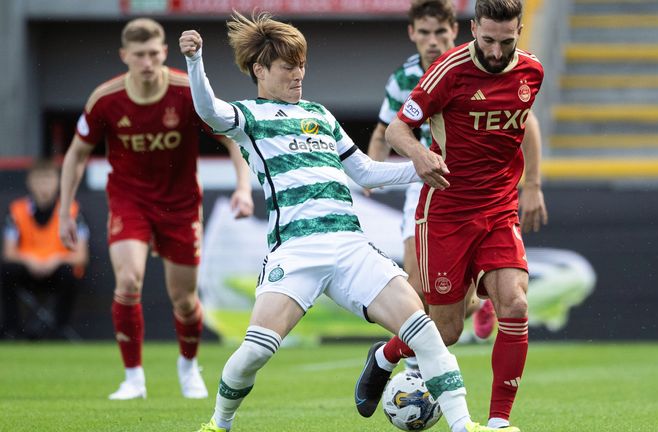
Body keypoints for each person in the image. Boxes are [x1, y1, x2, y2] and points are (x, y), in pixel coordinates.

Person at [180, 11, 499, 432]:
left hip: (350, 246)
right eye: (288, 66)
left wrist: (420, 167)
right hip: (296, 250)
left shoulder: (320, 115)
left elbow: (365, 171)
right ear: (260, 69)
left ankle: (464, 425)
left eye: (302, 65)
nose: (299, 74)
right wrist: (195, 60)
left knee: (424, 329)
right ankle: (219, 424)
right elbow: (207, 109)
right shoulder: (249, 118)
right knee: (256, 351)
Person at [355, 0, 547, 430]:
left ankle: (498, 421)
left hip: (498, 207)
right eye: (488, 40)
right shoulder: (448, 70)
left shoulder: (532, 71)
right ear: (473, 27)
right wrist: (421, 155)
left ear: (519, 31)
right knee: (445, 330)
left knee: (515, 304)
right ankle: (386, 355)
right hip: (446, 209)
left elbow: (524, 124)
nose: (497, 52)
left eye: (507, 41)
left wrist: (531, 184)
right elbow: (396, 129)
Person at [59, 17, 254, 400]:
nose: (147, 62)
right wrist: (65, 209)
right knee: (128, 281)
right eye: (139, 55)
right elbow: (76, 154)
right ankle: (133, 378)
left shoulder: (186, 91)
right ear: (125, 56)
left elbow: (234, 139)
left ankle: (188, 369)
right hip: (129, 201)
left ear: (164, 52)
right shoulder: (105, 99)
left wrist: (244, 189)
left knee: (183, 299)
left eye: (153, 54)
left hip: (181, 206)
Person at [1, 160, 89, 340]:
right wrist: (29, 260)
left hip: (58, 271)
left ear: (58, 182)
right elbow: (8, 253)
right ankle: (13, 330)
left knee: (71, 273)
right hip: (27, 270)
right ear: (30, 182)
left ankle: (59, 329)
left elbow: (81, 256)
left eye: (48, 180)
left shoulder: (73, 212)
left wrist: (55, 260)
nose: (44, 186)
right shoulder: (16, 211)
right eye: (39, 180)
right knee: (7, 271)